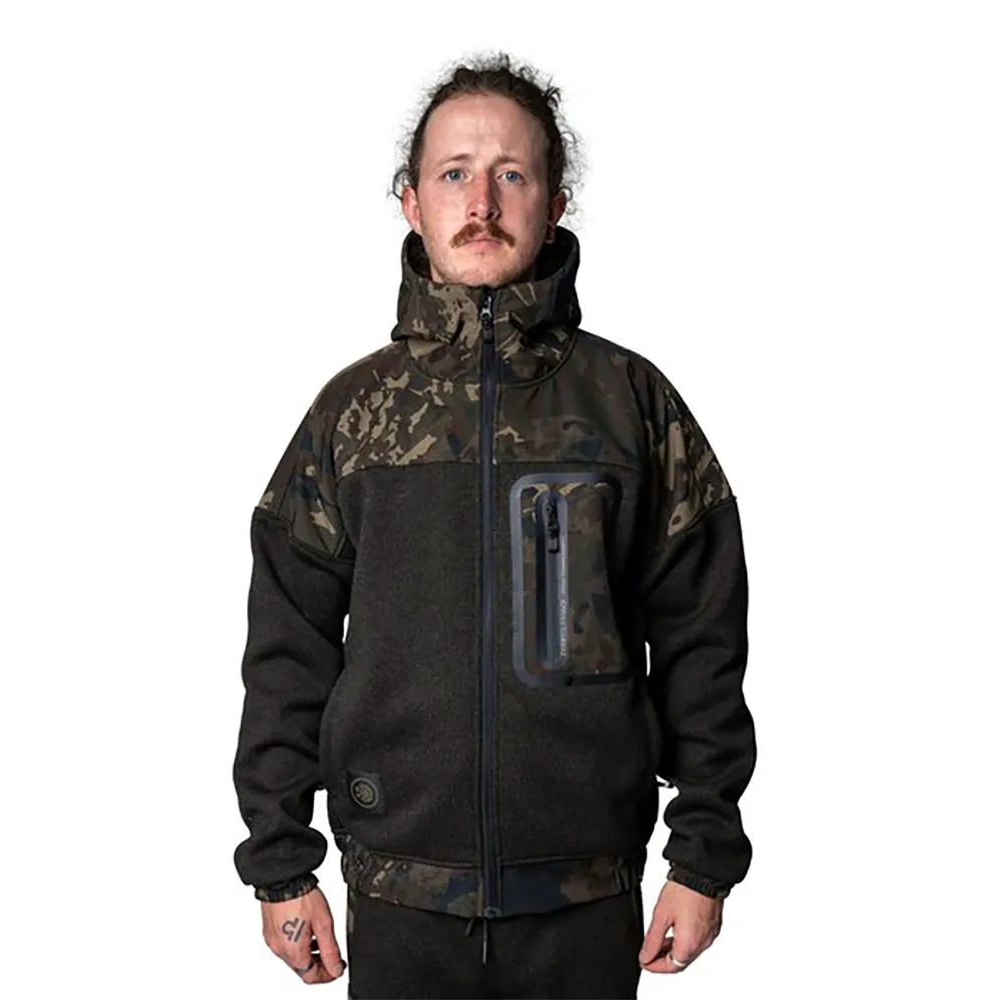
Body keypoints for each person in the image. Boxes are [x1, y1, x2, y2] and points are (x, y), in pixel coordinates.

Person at [232, 52, 756, 999]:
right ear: (412, 203)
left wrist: (703, 856)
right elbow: (286, 650)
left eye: (512, 173)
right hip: (398, 900)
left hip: (585, 903)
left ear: (555, 204)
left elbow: (702, 640)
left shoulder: (630, 405)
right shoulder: (352, 416)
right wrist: (281, 863)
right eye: (454, 174)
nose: (481, 202)